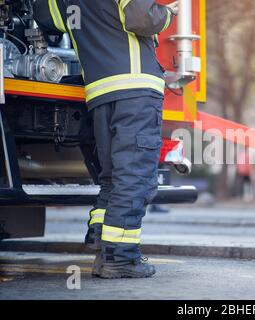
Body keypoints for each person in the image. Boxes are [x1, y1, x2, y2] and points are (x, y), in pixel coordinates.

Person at [33, 0, 179, 279]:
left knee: (112, 177)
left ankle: (102, 243)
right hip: (135, 89)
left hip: (99, 95)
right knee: (134, 178)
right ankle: (120, 258)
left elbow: (45, 16)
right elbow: (141, 18)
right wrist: (168, 15)